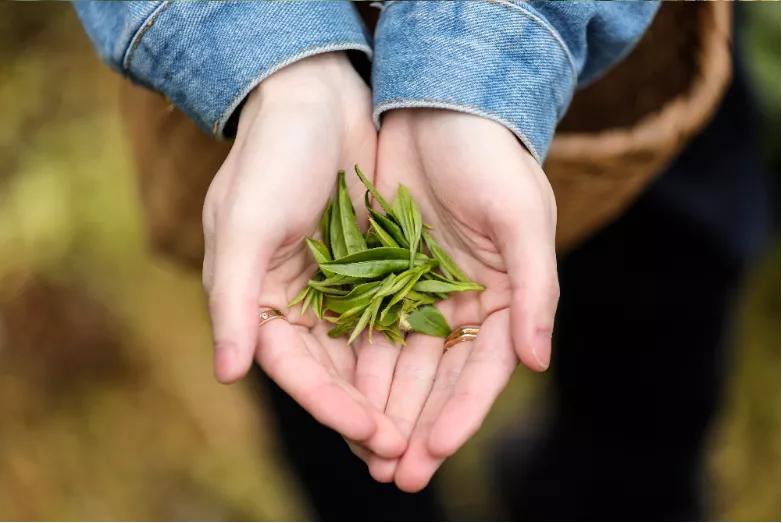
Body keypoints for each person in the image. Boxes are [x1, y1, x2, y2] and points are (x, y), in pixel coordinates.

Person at [74, 2, 768, 520]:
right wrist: (271, 56)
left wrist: (496, 41)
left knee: (660, 296)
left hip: (610, 34)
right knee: (344, 416)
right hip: (268, 72)